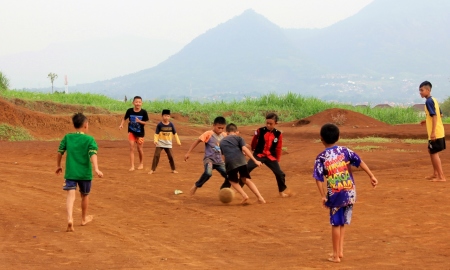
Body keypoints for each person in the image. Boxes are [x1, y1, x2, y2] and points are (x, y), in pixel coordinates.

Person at [313, 123, 378, 263]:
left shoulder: (321, 157)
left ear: (321, 138)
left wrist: (323, 196)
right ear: (338, 137)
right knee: (341, 222)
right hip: (350, 191)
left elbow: (318, 179)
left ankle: (336, 256)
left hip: (336, 194)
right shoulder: (345, 151)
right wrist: (371, 176)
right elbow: (360, 162)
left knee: (336, 223)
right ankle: (340, 251)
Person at [221, 112, 290, 197]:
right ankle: (238, 189)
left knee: (280, 173)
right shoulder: (259, 131)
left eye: (270, 124)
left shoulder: (278, 134)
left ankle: (281, 191)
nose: (268, 125)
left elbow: (278, 148)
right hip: (258, 155)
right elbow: (254, 141)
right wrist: (253, 149)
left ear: (276, 123)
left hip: (270, 157)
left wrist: (277, 159)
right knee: (246, 170)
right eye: (267, 123)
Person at [56, 113, 103, 232]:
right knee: (85, 195)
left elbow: (60, 151)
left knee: (70, 195)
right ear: (86, 125)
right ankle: (83, 219)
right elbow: (93, 153)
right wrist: (96, 168)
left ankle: (70, 218)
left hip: (71, 172)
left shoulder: (67, 137)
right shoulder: (89, 139)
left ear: (74, 125)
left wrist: (58, 165)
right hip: (85, 173)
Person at [220, 123, 266, 204]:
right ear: (236, 132)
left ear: (226, 133)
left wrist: (225, 165)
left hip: (230, 162)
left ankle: (244, 195)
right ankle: (260, 198)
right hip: (242, 161)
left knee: (232, 180)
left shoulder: (222, 142)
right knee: (245, 179)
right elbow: (244, 149)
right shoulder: (239, 138)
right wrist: (255, 160)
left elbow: (223, 156)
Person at [185, 116, 228, 195]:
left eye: (222, 128)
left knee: (229, 176)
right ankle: (196, 185)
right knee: (208, 173)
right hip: (209, 159)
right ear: (214, 125)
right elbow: (197, 141)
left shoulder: (225, 135)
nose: (221, 130)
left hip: (220, 161)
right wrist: (188, 152)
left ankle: (223, 190)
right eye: (219, 128)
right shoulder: (208, 134)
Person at [419, 81, 446, 181]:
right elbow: (440, 115)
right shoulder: (433, 100)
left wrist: (433, 132)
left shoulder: (429, 101)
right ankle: (435, 174)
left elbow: (434, 116)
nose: (420, 92)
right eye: (420, 90)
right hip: (438, 130)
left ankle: (441, 176)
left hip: (435, 132)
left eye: (422, 90)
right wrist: (426, 120)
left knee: (434, 152)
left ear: (428, 90)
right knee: (431, 151)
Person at [119, 96, 149, 171]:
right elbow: (124, 118)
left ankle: (141, 163)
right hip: (131, 132)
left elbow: (145, 122)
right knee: (131, 148)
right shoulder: (129, 111)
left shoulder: (144, 112)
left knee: (139, 148)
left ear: (142, 103)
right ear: (133, 103)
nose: (137, 103)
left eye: (139, 102)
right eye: (136, 102)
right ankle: (132, 166)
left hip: (140, 133)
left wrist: (139, 121)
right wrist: (121, 124)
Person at [149, 109, 181, 174]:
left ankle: (173, 169)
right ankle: (152, 169)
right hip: (160, 142)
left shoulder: (171, 125)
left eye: (168, 116)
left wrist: (178, 141)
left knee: (171, 156)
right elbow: (156, 134)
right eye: (165, 116)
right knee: (156, 155)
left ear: (169, 117)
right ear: (162, 116)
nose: (166, 117)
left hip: (168, 143)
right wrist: (155, 140)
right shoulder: (159, 125)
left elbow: (175, 134)